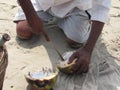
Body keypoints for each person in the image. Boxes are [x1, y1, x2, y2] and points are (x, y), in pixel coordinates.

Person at [13, 0, 111, 74]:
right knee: (23, 31)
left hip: (76, 6)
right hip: (43, 2)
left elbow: (102, 8)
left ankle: (84, 20)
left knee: (76, 40)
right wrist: (31, 15)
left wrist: (87, 50)